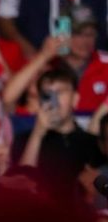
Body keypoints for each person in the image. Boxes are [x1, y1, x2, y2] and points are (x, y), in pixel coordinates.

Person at [15, 66, 105, 198]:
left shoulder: (94, 144)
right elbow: (21, 188)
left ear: (75, 99)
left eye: (60, 92)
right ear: (39, 101)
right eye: (47, 94)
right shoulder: (25, 140)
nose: (54, 100)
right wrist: (37, 134)